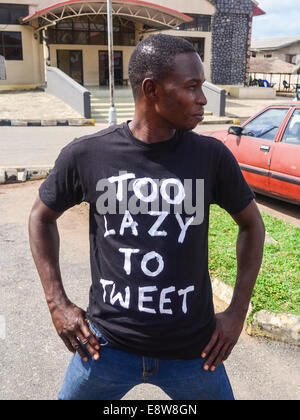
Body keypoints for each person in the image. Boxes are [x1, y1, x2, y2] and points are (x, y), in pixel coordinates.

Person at [28, 34, 265, 401]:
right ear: (151, 89)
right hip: (105, 347)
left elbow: (251, 225)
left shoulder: (211, 157)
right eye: (192, 86)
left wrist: (236, 312)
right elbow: (41, 217)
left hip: (193, 353)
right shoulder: (88, 155)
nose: (203, 98)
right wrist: (57, 302)